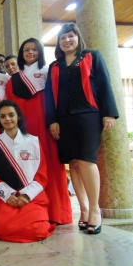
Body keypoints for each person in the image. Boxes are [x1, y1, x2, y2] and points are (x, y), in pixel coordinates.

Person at [45, 23, 119, 234]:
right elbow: (49, 97)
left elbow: (104, 84)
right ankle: (84, 210)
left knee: (87, 160)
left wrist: (109, 112)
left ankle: (96, 210)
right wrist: (52, 121)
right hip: (63, 119)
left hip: (88, 115)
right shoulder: (55, 66)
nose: (67, 40)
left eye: (70, 36)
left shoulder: (92, 56)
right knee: (74, 163)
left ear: (77, 37)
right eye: (62, 38)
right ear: (58, 43)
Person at [6, 38, 72, 225]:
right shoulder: (14, 80)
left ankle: (58, 213)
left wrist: (55, 122)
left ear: (40, 52)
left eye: (35, 49)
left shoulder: (48, 73)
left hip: (45, 127)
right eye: (26, 49)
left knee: (51, 166)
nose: (30, 52)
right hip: (24, 131)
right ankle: (32, 212)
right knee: (29, 168)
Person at [0, 100, 56, 242]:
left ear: (18, 117)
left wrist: (26, 195)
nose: (7, 119)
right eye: (2, 116)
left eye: (11, 115)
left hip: (32, 197)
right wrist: (7, 195)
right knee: (2, 227)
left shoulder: (33, 141)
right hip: (5, 197)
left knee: (38, 229)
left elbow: (42, 175)